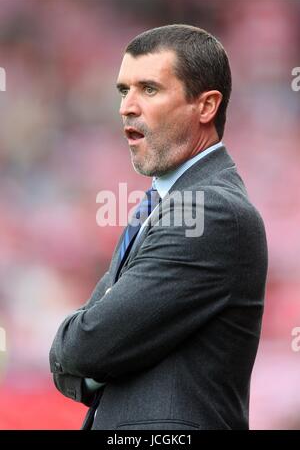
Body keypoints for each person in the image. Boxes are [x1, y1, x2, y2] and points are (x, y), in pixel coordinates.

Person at [49, 24, 268, 430]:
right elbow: (88, 346)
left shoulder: (209, 211)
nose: (126, 107)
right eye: (123, 90)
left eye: (148, 89)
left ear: (206, 107)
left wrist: (91, 351)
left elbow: (85, 346)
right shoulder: (166, 205)